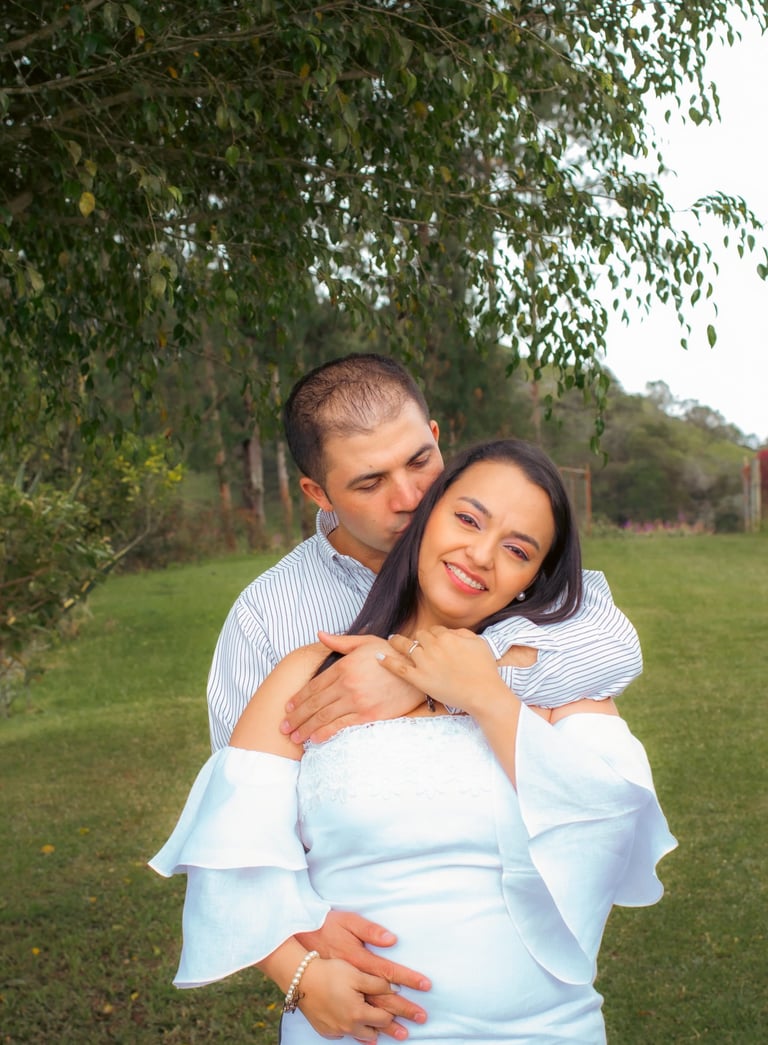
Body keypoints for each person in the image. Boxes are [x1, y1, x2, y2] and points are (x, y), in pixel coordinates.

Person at [151, 438, 676, 1044]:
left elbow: (610, 819)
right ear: (427, 518)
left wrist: (482, 691)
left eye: (517, 549)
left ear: (533, 578)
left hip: (546, 1028)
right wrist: (298, 974)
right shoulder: (313, 674)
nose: (480, 555)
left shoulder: (558, 680)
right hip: (357, 1029)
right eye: (467, 519)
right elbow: (233, 843)